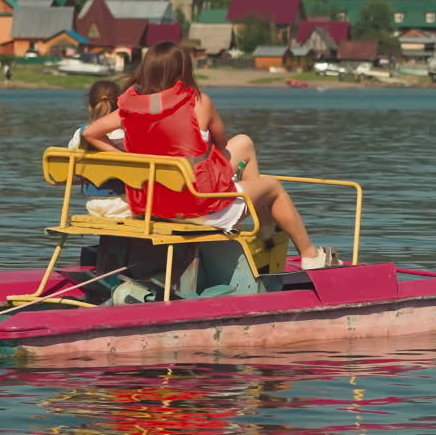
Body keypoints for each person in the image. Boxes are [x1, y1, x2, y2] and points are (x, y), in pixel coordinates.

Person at [83, 42, 336, 269]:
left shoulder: (129, 109)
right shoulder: (198, 101)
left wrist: (130, 158)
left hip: (154, 205)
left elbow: (90, 133)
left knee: (244, 143)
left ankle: (263, 230)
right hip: (198, 205)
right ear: (183, 70)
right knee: (273, 187)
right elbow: (221, 142)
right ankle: (309, 254)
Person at [69, 79, 129, 219]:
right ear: (120, 106)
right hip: (124, 203)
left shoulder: (80, 134)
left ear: (90, 107)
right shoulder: (128, 136)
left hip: (93, 203)